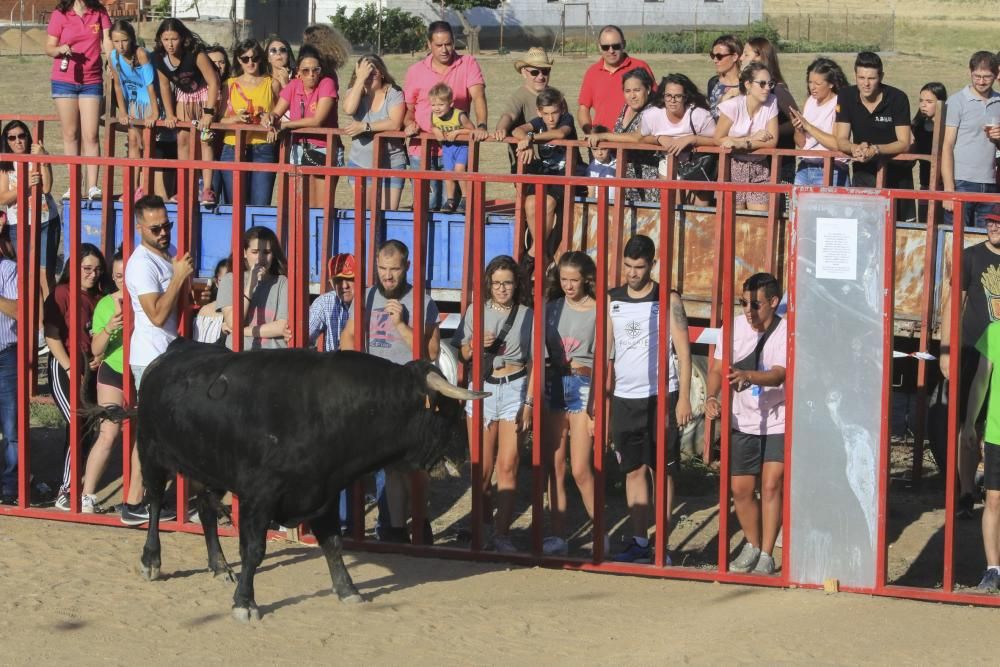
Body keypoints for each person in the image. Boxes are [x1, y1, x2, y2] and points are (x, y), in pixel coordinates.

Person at [341, 240, 441, 543]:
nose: (388, 276)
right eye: (383, 269)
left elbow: (432, 353)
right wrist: (356, 371)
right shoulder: (367, 296)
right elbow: (349, 336)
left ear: (407, 267)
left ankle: (421, 526)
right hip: (374, 391)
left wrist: (402, 325)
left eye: (394, 269)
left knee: (414, 467)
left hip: (408, 392)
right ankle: (395, 531)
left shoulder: (422, 301)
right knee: (391, 466)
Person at [608, 235, 693, 563]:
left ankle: (663, 545)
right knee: (633, 471)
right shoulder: (612, 298)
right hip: (624, 398)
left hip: (661, 396)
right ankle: (640, 542)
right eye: (627, 266)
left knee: (664, 471)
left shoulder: (667, 298)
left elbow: (684, 354)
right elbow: (607, 353)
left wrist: (683, 398)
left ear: (652, 265)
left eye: (639, 267)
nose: (632, 273)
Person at [704, 272, 788, 575]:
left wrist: (748, 376)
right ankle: (752, 546)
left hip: (778, 419)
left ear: (774, 303)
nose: (749, 312)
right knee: (740, 489)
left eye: (756, 305)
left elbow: (780, 374)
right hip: (743, 419)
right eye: (744, 304)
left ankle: (767, 553)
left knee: (771, 485)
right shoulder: (735, 328)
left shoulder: (785, 332)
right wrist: (712, 396)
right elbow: (716, 368)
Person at [122, 194, 192, 524]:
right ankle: (136, 502)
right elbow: (155, 314)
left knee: (161, 432)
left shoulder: (165, 256)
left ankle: (148, 500)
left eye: (167, 225)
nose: (164, 232)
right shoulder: (140, 264)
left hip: (166, 354)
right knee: (152, 434)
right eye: (156, 228)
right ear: (140, 228)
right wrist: (179, 277)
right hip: (151, 358)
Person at [460, 255, 532, 553]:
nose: (502, 288)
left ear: (517, 285)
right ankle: (483, 527)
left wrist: (529, 403)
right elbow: (463, 353)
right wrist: (476, 344)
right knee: (482, 468)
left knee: (508, 466)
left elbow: (535, 361)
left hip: (515, 386)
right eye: (497, 283)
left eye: (508, 283)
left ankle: (502, 534)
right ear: (488, 284)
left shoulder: (528, 314)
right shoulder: (476, 310)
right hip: (482, 389)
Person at [940, 209, 1000, 520]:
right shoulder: (971, 256)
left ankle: (992, 491)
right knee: (967, 424)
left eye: (999, 223)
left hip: (999, 353)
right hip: (973, 350)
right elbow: (954, 301)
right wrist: (946, 348)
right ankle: (965, 492)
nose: (993, 227)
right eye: (990, 222)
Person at [44, 243, 110, 511]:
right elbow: (52, 335)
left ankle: (75, 484)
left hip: (91, 368)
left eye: (97, 269)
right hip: (65, 365)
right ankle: (67, 490)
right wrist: (70, 367)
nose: (92, 274)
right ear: (75, 268)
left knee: (86, 426)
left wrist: (100, 358)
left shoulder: (101, 297)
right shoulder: (62, 293)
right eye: (86, 268)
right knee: (77, 423)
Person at [542, 252, 598, 556]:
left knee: (580, 468)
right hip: (554, 384)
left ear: (586, 279)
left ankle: (600, 533)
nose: (568, 285)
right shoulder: (551, 309)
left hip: (583, 384)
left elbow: (605, 358)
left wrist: (597, 406)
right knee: (555, 466)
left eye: (573, 279)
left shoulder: (599, 311)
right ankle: (558, 535)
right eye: (563, 279)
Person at [402, 20, 489, 212]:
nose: (444, 50)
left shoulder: (467, 63)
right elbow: (408, 109)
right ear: (429, 45)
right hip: (422, 149)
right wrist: (409, 124)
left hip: (457, 148)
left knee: (454, 208)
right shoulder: (415, 71)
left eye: (448, 44)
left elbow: (479, 97)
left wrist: (481, 126)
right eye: (439, 45)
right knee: (425, 206)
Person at [835, 51, 914, 220]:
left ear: (881, 76)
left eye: (871, 78)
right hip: (863, 175)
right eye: (861, 78)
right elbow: (841, 139)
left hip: (897, 176)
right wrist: (854, 148)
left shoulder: (898, 98)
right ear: (855, 76)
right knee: (864, 229)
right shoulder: (846, 96)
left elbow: (904, 142)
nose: (866, 84)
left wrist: (876, 150)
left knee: (899, 232)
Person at [44, 0, 111, 200]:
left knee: (91, 135)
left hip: (92, 80)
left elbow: (107, 40)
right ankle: (73, 185)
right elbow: (49, 47)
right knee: (70, 133)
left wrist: (113, 60)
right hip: (64, 80)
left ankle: (92, 187)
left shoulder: (99, 11)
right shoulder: (60, 13)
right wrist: (60, 49)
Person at [151, 18, 220, 206]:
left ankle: (207, 189)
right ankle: (186, 188)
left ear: (182, 38)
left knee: (205, 140)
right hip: (184, 95)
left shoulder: (195, 54)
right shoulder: (159, 58)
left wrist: (208, 112)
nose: (170, 44)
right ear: (160, 40)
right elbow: (165, 86)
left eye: (174, 39)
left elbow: (213, 82)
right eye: (166, 39)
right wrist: (170, 114)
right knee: (182, 139)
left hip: (204, 93)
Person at [511, 87, 581, 267]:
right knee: (530, 203)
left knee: (548, 203)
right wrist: (524, 142)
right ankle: (542, 253)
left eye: (555, 113)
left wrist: (531, 138)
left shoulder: (567, 119)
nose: (551, 119)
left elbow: (560, 134)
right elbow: (517, 130)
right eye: (546, 114)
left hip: (567, 174)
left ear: (562, 110)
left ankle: (535, 251)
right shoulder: (538, 122)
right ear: (539, 112)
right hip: (546, 173)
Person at [264, 44, 339, 207]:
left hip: (324, 148)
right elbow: (277, 112)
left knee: (321, 206)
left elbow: (317, 121)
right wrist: (271, 116)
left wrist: (285, 125)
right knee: (301, 205)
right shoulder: (293, 86)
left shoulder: (327, 83)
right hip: (298, 148)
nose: (311, 75)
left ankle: (320, 234)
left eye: (316, 70)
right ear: (298, 72)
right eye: (306, 71)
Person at [83, 249, 125, 513]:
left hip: (143, 371)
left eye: (128, 275)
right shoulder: (106, 304)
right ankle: (87, 495)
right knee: (109, 433)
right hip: (113, 371)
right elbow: (96, 350)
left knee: (142, 438)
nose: (123, 280)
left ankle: (138, 497)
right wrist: (111, 326)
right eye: (118, 275)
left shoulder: (148, 300)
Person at [0, 121, 60, 298]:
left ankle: (50, 321)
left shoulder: (38, 156)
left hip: (46, 221)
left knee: (45, 274)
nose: (18, 141)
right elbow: (3, 198)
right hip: (19, 225)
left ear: (28, 137)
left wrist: (44, 159)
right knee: (28, 274)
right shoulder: (5, 165)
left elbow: (47, 187)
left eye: (21, 136)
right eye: (12, 137)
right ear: (7, 141)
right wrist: (25, 184)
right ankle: (33, 318)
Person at [218, 39, 279, 207]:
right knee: (235, 206)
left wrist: (270, 118)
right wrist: (235, 119)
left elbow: (283, 113)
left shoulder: (272, 83)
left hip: (263, 147)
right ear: (238, 60)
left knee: (260, 205)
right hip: (232, 147)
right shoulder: (229, 84)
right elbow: (220, 119)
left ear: (261, 58)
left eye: (255, 58)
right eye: (245, 59)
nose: (250, 62)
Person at [941, 52, 1000, 228]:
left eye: (987, 77)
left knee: (984, 242)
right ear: (970, 72)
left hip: (990, 183)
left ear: (996, 75)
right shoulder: (957, 101)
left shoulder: (999, 102)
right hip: (961, 182)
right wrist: (949, 190)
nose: (981, 82)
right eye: (977, 76)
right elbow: (947, 146)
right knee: (956, 239)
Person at [640, 73, 718, 205]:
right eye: (668, 96)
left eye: (678, 96)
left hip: (698, 166)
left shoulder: (700, 116)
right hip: (668, 164)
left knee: (698, 214)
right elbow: (642, 138)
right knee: (673, 210)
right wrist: (659, 138)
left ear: (686, 97)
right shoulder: (651, 115)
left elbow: (717, 140)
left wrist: (692, 139)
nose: (672, 100)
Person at [342, 54, 407, 211]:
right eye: (365, 73)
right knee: (363, 217)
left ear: (382, 73)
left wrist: (365, 126)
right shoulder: (354, 92)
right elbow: (349, 109)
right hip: (360, 163)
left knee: (387, 216)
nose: (369, 77)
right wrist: (359, 80)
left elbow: (395, 123)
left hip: (391, 164)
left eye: (373, 72)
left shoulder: (394, 93)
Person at [586, 68, 660, 203]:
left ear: (648, 89)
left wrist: (605, 136)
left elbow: (637, 137)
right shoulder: (626, 107)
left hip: (648, 178)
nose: (632, 96)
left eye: (637, 90)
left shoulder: (653, 110)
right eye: (628, 91)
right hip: (623, 177)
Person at [715, 63, 779, 211]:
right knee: (733, 222)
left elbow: (772, 141)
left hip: (760, 167)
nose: (767, 88)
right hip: (732, 166)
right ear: (748, 84)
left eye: (770, 83)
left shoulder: (772, 102)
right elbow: (719, 139)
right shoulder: (732, 106)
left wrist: (742, 144)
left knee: (758, 223)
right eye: (762, 84)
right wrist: (751, 138)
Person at [108, 20, 160, 198]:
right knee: (133, 143)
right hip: (132, 102)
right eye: (116, 41)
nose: (120, 46)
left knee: (147, 144)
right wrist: (122, 111)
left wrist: (155, 112)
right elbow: (117, 86)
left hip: (148, 101)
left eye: (124, 40)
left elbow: (150, 85)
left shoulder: (141, 54)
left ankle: (145, 187)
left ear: (131, 39)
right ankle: (132, 186)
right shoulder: (113, 57)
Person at [216, 226, 288, 351]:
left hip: (273, 358)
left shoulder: (282, 282)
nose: (260, 258)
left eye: (266, 252)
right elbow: (233, 322)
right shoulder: (230, 280)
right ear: (244, 252)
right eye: (254, 252)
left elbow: (281, 327)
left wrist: (241, 331)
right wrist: (250, 285)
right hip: (239, 356)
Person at [576, 25, 654, 134]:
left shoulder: (640, 67)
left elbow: (656, 102)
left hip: (632, 142)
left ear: (624, 44)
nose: (611, 51)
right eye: (605, 47)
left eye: (616, 46)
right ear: (599, 47)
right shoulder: (592, 72)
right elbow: (583, 108)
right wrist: (590, 133)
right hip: (601, 144)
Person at [970, 318, 1000, 592]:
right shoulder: (994, 331)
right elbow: (981, 379)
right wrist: (970, 423)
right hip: (996, 434)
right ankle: (993, 570)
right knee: (993, 500)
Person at [789, 57, 850, 186]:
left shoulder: (840, 103)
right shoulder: (810, 101)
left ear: (831, 83)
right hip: (805, 167)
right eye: (810, 82)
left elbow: (837, 143)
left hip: (831, 168)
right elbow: (801, 143)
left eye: (818, 83)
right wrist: (798, 128)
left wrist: (809, 127)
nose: (812, 87)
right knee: (797, 206)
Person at [493, 47, 555, 170]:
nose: (541, 76)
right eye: (534, 72)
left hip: (555, 165)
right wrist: (501, 128)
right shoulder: (520, 95)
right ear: (523, 72)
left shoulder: (556, 97)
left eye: (545, 71)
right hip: (528, 164)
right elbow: (508, 115)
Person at [429, 83, 475, 213]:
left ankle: (466, 197)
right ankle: (450, 200)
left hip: (461, 147)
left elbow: (472, 129)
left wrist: (457, 132)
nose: (436, 108)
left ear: (450, 103)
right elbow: (433, 126)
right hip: (447, 148)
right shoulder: (433, 116)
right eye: (433, 105)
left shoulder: (459, 115)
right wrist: (435, 130)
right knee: (448, 173)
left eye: (440, 105)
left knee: (459, 170)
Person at [0, 231, 18, 505]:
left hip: (5, 356)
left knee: (11, 425)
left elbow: (19, 310)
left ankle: (11, 486)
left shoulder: (8, 269)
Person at [308, 253, 355, 352]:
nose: (344, 285)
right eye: (338, 280)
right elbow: (304, 337)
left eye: (350, 279)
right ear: (332, 284)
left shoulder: (371, 301)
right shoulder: (324, 302)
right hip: (334, 365)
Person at [912, 82, 947, 198]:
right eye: (921, 101)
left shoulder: (949, 128)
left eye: (929, 102)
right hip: (925, 184)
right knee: (924, 215)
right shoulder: (917, 127)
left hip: (947, 185)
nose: (923, 105)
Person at [706, 35, 743, 120]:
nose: (715, 60)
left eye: (719, 56)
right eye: (712, 55)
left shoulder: (747, 84)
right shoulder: (713, 82)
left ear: (734, 56)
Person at [192, 257, 228, 344]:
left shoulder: (246, 310)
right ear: (216, 282)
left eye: (233, 280)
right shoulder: (205, 311)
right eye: (225, 280)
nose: (229, 285)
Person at [587, 126, 616, 203]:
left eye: (604, 149)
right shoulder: (592, 168)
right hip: (598, 204)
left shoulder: (618, 163)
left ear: (610, 147)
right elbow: (591, 192)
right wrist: (591, 206)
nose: (599, 153)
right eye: (595, 149)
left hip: (616, 205)